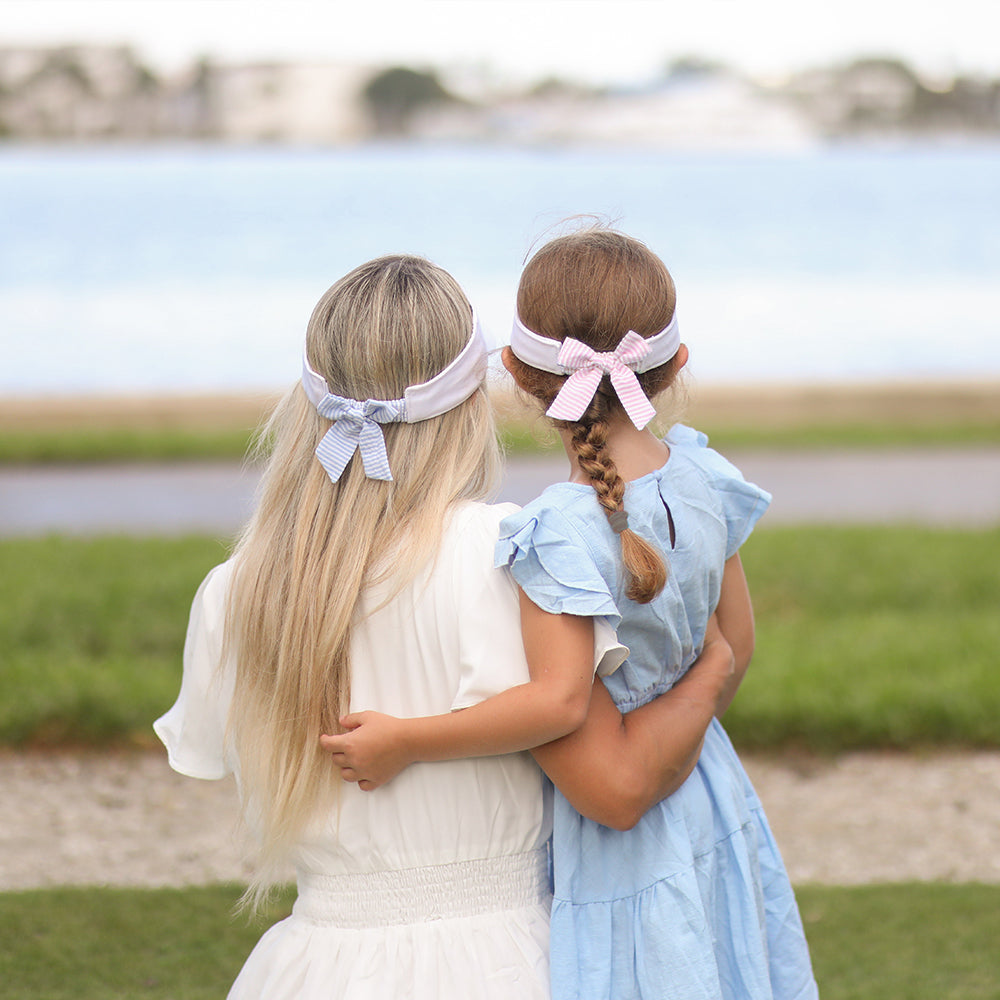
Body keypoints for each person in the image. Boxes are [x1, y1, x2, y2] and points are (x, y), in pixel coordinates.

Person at [154, 253, 739, 1000]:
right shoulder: (508, 556)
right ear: (473, 402)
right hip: (509, 962)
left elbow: (220, 759)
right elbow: (618, 786)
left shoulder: (237, 592)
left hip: (313, 967)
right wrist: (714, 670)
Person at [324, 231, 819, 1000]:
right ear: (675, 367)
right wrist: (708, 671)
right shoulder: (707, 477)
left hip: (624, 851)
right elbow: (735, 649)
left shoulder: (555, 533)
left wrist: (407, 742)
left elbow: (558, 705)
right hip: (711, 794)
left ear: (517, 375)